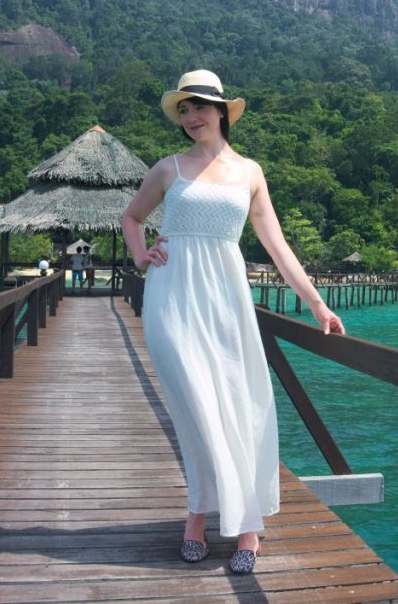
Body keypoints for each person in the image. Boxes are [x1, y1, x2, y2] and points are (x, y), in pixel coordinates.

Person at [121, 68, 345, 575]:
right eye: (184, 108)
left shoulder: (250, 172)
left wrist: (316, 304)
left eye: (199, 106)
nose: (191, 116)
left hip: (226, 299)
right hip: (172, 299)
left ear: (222, 111)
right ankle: (197, 516)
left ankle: (246, 525)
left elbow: (277, 246)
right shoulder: (168, 168)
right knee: (195, 406)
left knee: (240, 406)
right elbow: (131, 218)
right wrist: (140, 257)